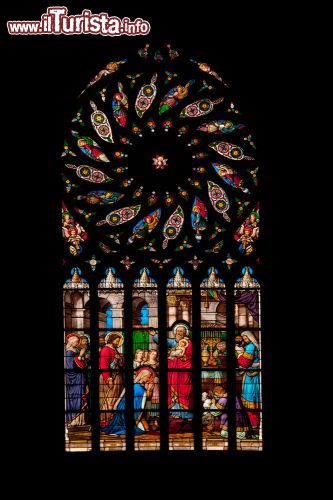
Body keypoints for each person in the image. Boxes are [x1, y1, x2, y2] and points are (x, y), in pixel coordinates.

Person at [101, 368, 155, 435]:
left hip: (128, 408)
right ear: (143, 376)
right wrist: (117, 404)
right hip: (125, 408)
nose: (148, 379)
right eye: (148, 377)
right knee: (143, 428)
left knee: (145, 428)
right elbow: (125, 394)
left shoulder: (139, 386)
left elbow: (143, 399)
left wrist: (149, 388)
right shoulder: (137, 386)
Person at [236, 331, 261, 437]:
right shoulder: (251, 345)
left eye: (246, 338)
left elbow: (245, 362)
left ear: (250, 338)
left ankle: (255, 427)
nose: (244, 340)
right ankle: (254, 427)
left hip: (252, 377)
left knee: (251, 401)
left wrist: (239, 353)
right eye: (244, 338)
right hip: (252, 375)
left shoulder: (251, 346)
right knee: (252, 402)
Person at [99, 332, 124, 427]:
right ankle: (106, 422)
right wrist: (108, 379)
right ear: (111, 340)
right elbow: (104, 366)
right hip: (109, 378)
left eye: (119, 341)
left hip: (117, 377)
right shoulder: (105, 350)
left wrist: (120, 360)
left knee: (115, 399)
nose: (118, 343)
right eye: (117, 341)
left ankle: (113, 421)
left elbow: (120, 365)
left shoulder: (115, 350)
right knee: (108, 399)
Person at [65, 333, 88, 425]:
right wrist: (80, 356)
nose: (77, 343)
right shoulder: (69, 352)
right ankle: (73, 421)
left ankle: (80, 421)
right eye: (76, 341)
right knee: (75, 398)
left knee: (80, 397)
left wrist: (81, 356)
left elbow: (83, 365)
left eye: (78, 341)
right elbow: (70, 366)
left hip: (80, 377)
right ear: (71, 341)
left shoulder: (75, 351)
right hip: (73, 379)